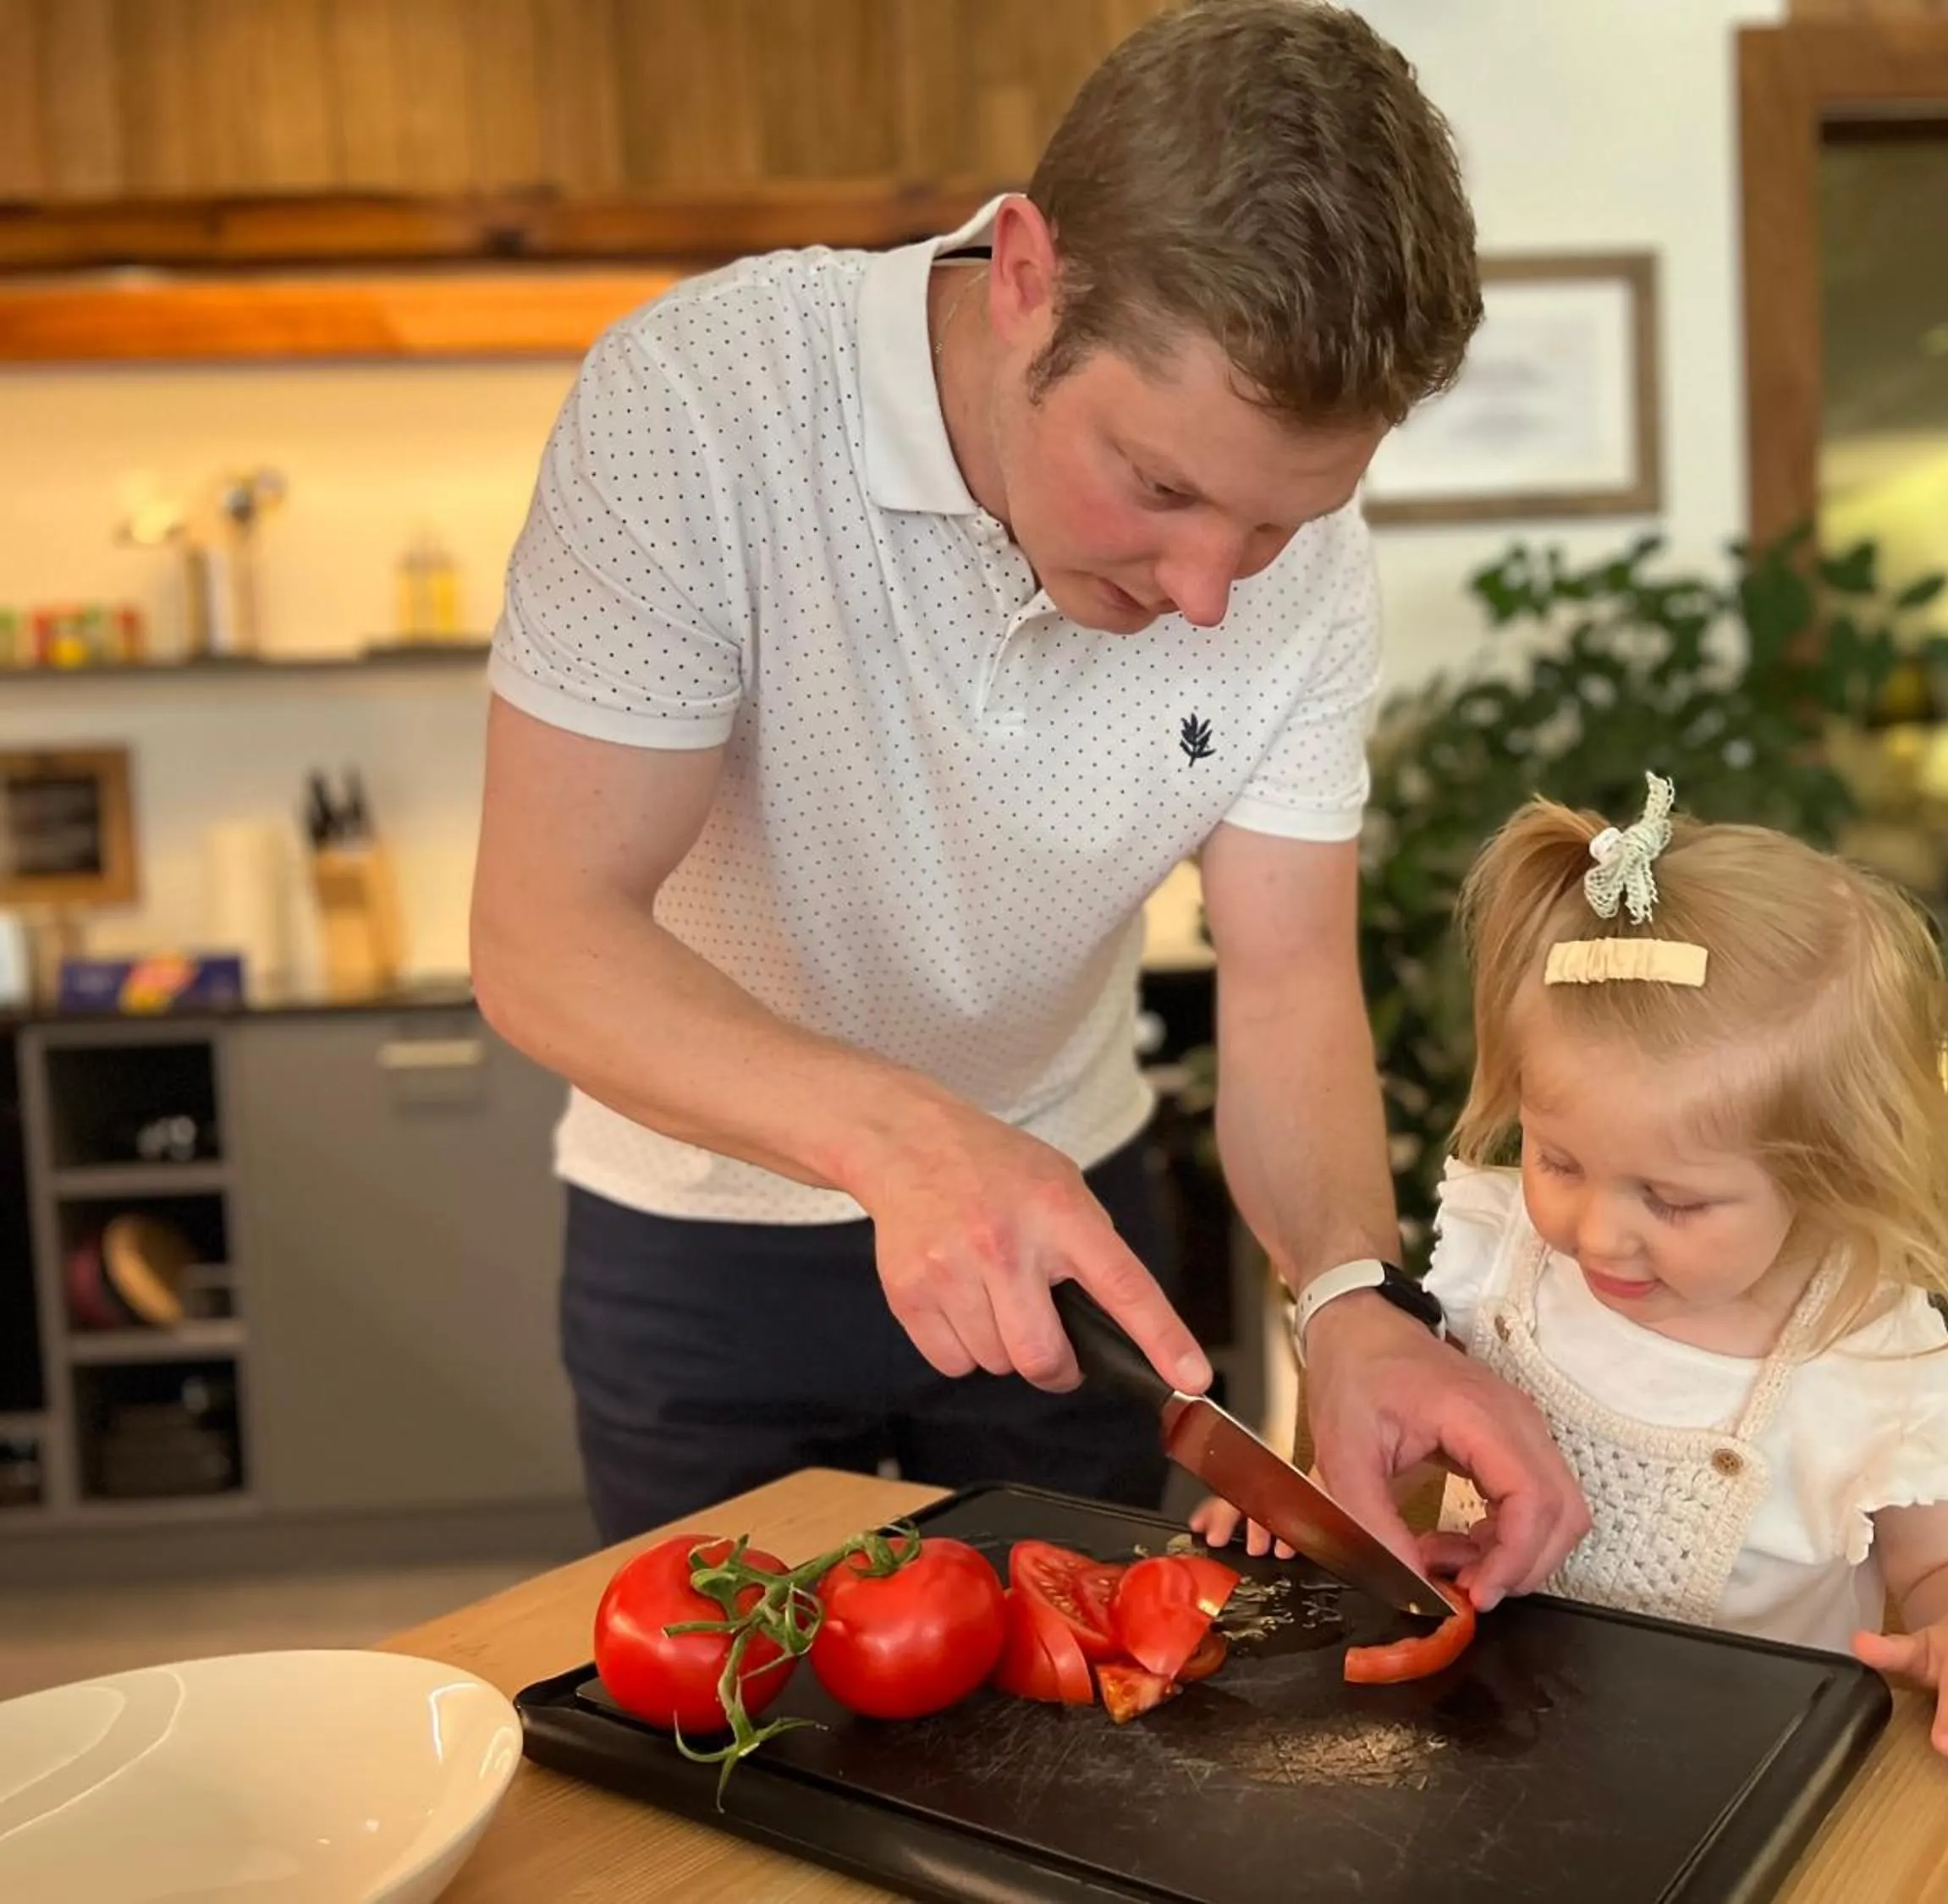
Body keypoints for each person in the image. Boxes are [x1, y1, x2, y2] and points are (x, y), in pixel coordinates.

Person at [469, 0, 1587, 1605]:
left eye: (1275, 526)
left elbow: (1282, 980)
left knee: (1084, 1763)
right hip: (704, 1239)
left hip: (1080, 1235)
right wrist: (910, 1144)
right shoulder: (699, 409)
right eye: (1159, 485)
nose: (1211, 592)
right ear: (1024, 277)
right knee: (727, 1763)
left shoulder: (1306, 571)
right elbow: (543, 936)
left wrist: (1348, 1295)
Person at [1199, 773, 1948, 1769]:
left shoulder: (1866, 1352)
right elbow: (1413, 1444)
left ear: (1829, 1175)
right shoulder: (1505, 1261)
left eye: (1674, 1201)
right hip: (1489, 1757)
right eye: (1559, 1161)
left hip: (1742, 1788)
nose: (1600, 1234)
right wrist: (1312, 1501)